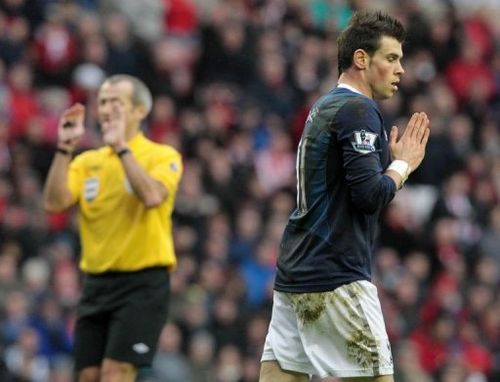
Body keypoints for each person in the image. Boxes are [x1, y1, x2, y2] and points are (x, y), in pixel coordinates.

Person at [260, 11, 430, 382]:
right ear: (361, 59)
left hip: (295, 272)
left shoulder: (323, 106)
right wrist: (403, 166)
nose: (401, 69)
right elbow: (369, 195)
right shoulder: (359, 109)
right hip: (335, 274)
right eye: (391, 58)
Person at [42, 74, 183, 382]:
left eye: (116, 102)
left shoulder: (162, 155)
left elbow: (151, 196)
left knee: (116, 373)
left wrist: (121, 148)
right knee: (88, 375)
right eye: (102, 101)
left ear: (139, 111)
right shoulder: (87, 161)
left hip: (142, 283)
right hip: (95, 283)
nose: (106, 109)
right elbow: (54, 203)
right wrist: (65, 149)